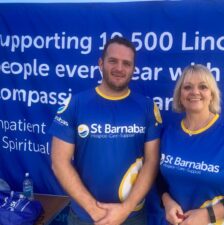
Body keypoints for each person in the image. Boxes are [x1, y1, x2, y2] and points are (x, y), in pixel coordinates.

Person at [49, 36, 162, 225]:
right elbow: (59, 162)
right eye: (113, 61)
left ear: (133, 69)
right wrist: (94, 210)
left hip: (132, 216)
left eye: (126, 63)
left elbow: (152, 161)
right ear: (101, 63)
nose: (119, 68)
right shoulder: (75, 104)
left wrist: (124, 210)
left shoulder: (147, 107)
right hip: (85, 216)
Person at [158, 64, 224, 225]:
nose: (195, 92)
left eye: (203, 87)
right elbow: (159, 178)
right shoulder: (167, 134)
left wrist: (208, 215)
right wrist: (167, 203)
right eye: (187, 87)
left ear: (212, 95)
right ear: (179, 96)